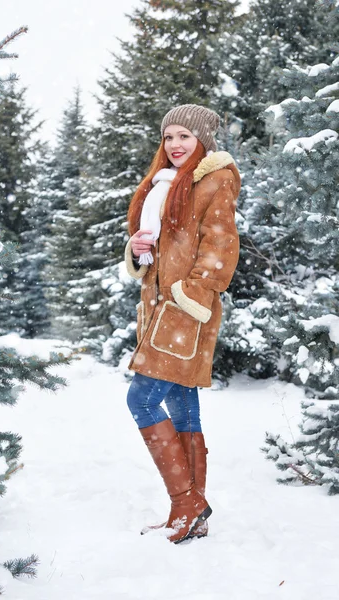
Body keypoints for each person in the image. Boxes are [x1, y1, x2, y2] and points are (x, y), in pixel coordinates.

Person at [124, 104, 241, 544]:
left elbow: (221, 246)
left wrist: (187, 298)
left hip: (182, 313)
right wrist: (137, 249)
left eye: (184, 137)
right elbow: (159, 250)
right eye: (169, 136)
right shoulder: (164, 185)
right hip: (160, 312)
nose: (174, 144)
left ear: (203, 141)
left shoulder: (215, 179)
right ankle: (194, 512)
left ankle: (185, 502)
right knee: (182, 403)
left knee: (141, 400)